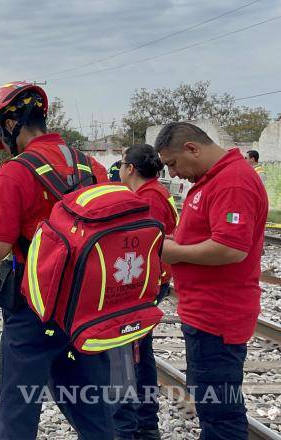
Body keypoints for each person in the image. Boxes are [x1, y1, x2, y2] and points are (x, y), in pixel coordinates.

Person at [0, 81, 112, 440]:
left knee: (17, 411)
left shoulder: (15, 171)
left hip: (35, 307)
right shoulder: (92, 165)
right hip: (87, 305)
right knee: (91, 406)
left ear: (9, 125)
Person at [156, 122, 267, 440]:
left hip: (218, 315)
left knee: (220, 412)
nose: (174, 174)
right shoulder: (212, 180)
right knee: (211, 403)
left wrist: (175, 251)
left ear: (192, 148)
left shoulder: (232, 182)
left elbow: (231, 248)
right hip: (205, 312)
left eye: (174, 164)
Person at [113, 144, 179, 440]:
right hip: (149, 281)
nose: (119, 168)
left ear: (131, 169)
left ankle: (141, 423)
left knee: (135, 355)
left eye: (122, 163)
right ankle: (142, 420)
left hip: (145, 285)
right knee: (139, 352)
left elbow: (141, 247)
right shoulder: (151, 193)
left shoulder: (149, 199)